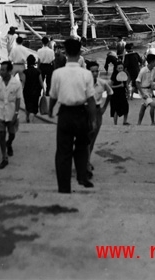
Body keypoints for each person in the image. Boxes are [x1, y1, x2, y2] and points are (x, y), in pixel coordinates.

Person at [48, 38, 97, 194]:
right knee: (82, 147)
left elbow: (53, 96)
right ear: (80, 52)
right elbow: (90, 99)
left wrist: (50, 110)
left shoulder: (57, 73)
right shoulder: (86, 74)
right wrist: (93, 119)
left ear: (65, 52)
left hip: (65, 114)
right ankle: (82, 176)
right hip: (81, 113)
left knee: (63, 151)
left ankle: (64, 187)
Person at [0, 61, 22, 169]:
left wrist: (16, 113)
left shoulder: (16, 83)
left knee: (12, 134)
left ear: (10, 71)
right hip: (0, 112)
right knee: (2, 134)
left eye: (3, 70)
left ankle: (9, 143)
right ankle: (4, 157)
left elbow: (18, 99)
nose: (1, 72)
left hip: (11, 112)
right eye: (0, 69)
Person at [86, 61, 113, 176]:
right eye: (92, 71)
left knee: (92, 140)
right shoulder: (83, 84)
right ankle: (85, 162)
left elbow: (110, 92)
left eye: (97, 71)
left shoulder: (102, 83)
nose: (95, 73)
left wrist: (104, 108)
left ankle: (86, 160)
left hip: (97, 112)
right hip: (85, 112)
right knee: (85, 138)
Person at [20, 55, 45, 123]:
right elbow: (41, 82)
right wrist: (44, 90)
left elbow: (23, 83)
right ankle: (31, 120)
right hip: (36, 92)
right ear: (34, 62)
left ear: (27, 62)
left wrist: (20, 91)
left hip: (27, 92)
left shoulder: (25, 72)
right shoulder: (38, 71)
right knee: (33, 108)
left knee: (27, 105)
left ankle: (28, 117)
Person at [136, 53, 155, 125]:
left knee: (143, 107)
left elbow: (154, 79)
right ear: (152, 62)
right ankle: (153, 122)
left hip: (150, 91)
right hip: (143, 91)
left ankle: (139, 122)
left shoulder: (154, 70)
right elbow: (137, 82)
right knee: (152, 105)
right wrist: (142, 94)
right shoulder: (143, 70)